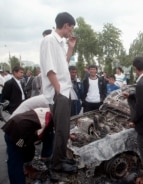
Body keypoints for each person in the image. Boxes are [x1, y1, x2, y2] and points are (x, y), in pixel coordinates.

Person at [40, 12, 77, 176]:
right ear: (66, 25)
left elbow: (64, 64)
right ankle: (57, 165)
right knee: (61, 130)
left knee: (64, 128)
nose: (71, 31)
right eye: (71, 27)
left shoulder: (60, 43)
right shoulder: (49, 40)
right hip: (59, 92)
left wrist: (70, 48)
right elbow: (49, 69)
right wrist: (59, 90)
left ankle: (60, 159)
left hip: (64, 90)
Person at [2, 107, 53, 184]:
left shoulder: (48, 112)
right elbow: (38, 137)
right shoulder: (48, 118)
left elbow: (33, 142)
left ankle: (27, 168)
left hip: (19, 127)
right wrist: (45, 156)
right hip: (16, 132)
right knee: (16, 160)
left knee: (26, 151)